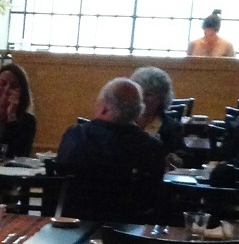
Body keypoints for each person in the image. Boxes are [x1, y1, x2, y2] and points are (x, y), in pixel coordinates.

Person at [55, 78, 166, 223]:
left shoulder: (76, 136)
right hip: (128, 228)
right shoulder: (152, 147)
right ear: (138, 112)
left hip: (74, 224)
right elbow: (153, 197)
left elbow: (60, 172)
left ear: (104, 108)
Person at [0, 63, 36, 157]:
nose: (7, 89)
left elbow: (19, 154)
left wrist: (12, 117)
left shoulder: (28, 121)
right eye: (3, 84)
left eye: (13, 86)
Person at [130, 65, 185, 155]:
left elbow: (183, 154)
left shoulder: (172, 128)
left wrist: (176, 158)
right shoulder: (121, 122)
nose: (142, 98)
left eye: (149, 94)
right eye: (139, 93)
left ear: (161, 98)